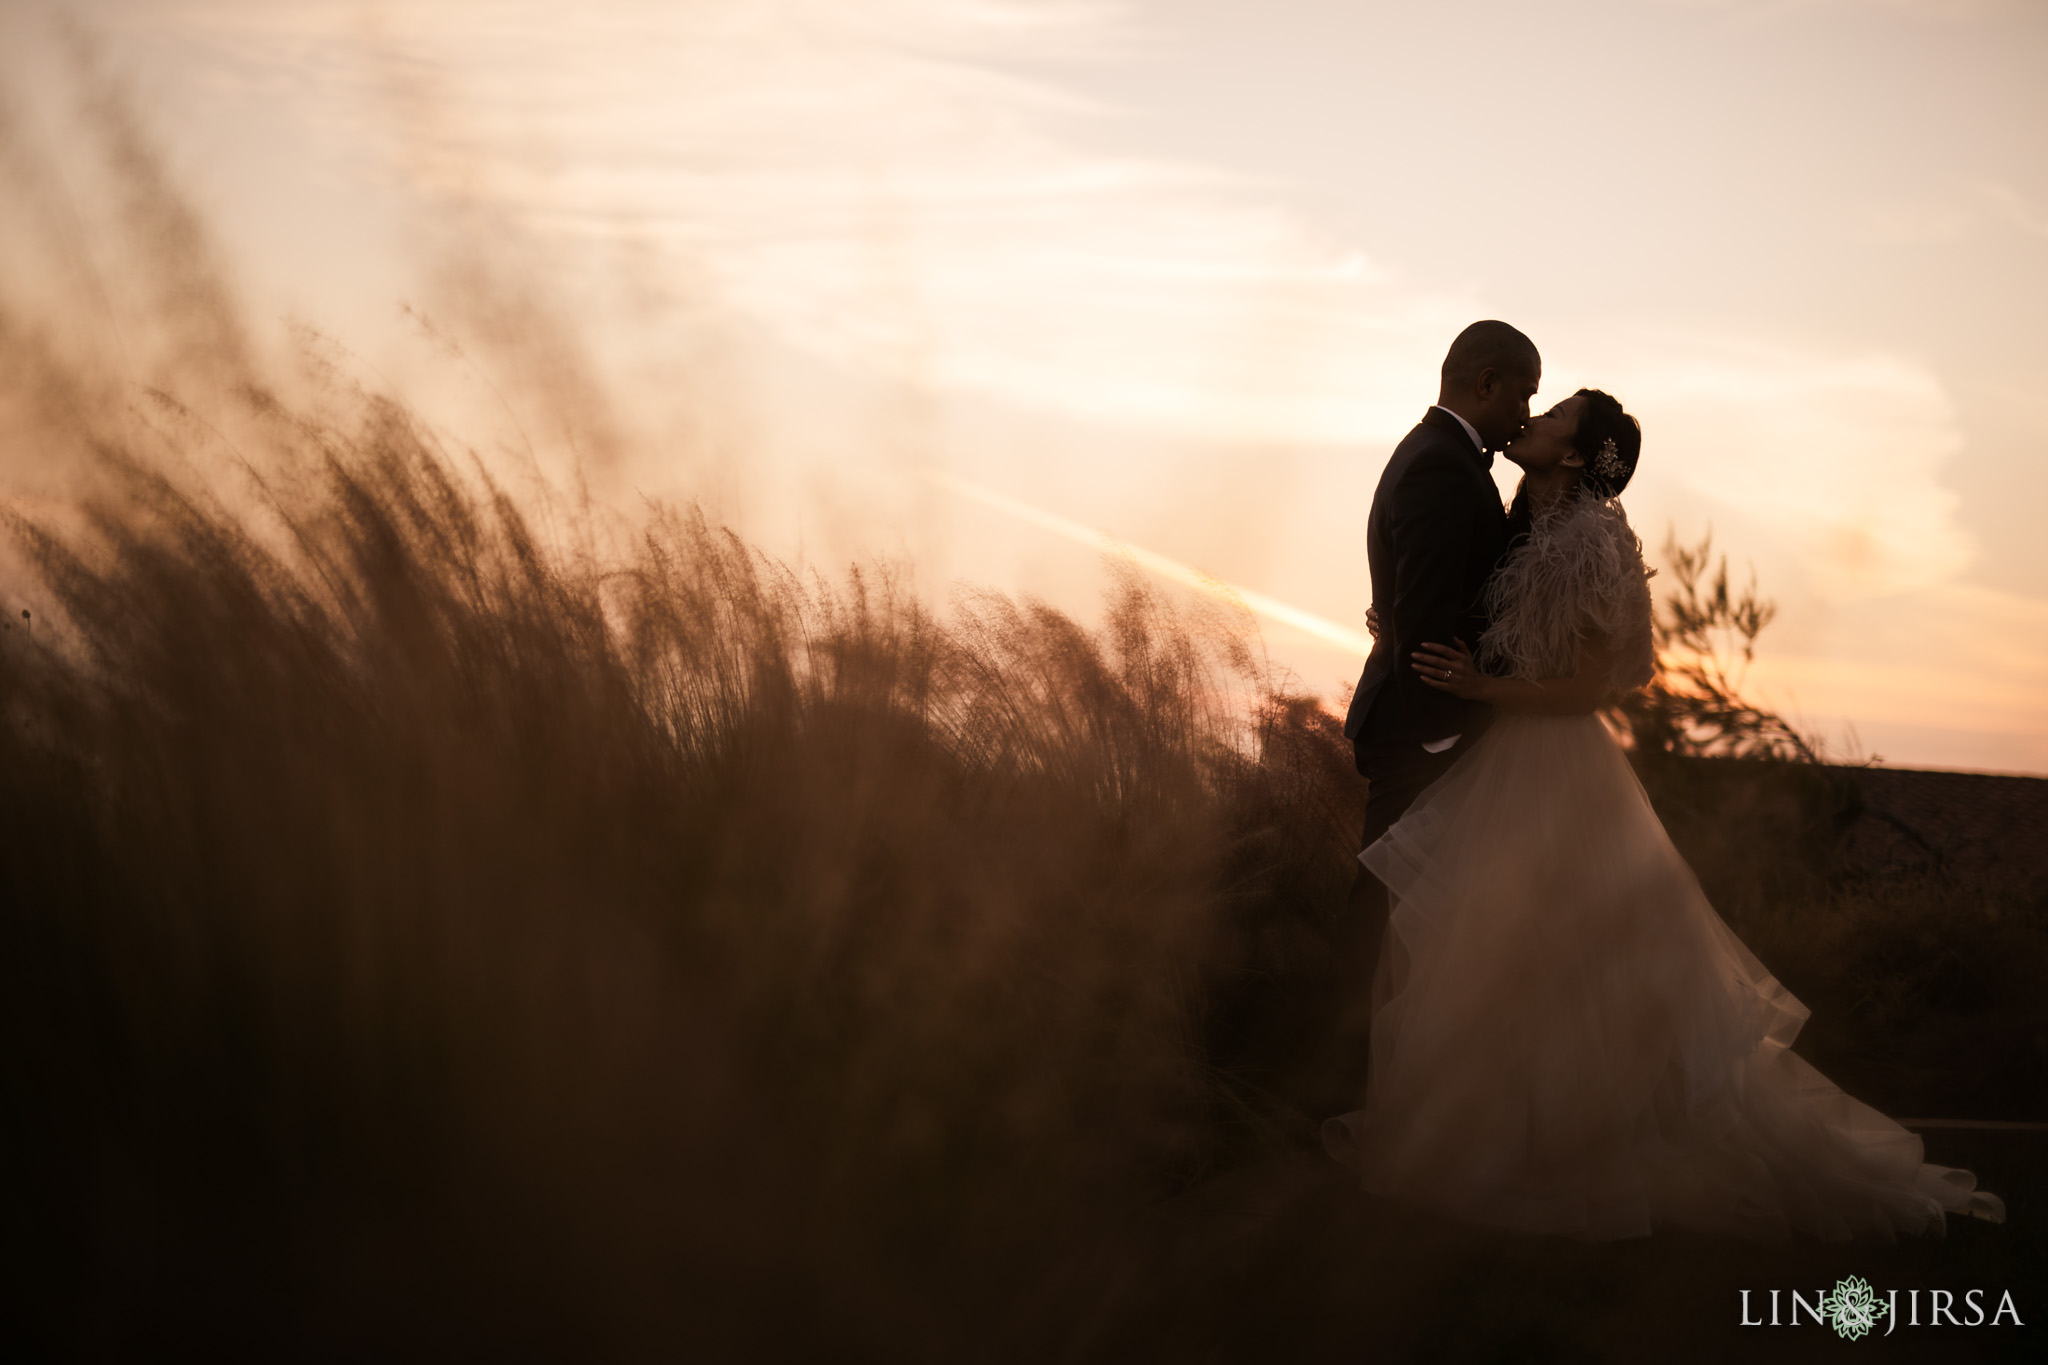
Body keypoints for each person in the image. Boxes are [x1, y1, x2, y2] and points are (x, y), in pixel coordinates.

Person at [1321, 388, 2006, 1241]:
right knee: (1498, 960)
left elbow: (1590, 686)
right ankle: (1516, 1146)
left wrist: (1481, 687)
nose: (1534, 416)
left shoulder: (1592, 539)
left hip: (1555, 773)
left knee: (1571, 968)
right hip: (1499, 763)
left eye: (1557, 412)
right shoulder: (1519, 525)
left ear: (1575, 455)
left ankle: (1591, 1160)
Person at [1325, 322, 1539, 1102]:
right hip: (1424, 737)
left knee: (1413, 920)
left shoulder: (1435, 457)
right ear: (1485, 382)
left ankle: (1390, 1084)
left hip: (1427, 729)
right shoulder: (1442, 470)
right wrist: (1454, 733)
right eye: (1523, 392)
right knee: (1379, 916)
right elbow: (1422, 624)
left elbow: (1418, 607)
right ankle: (1331, 1089)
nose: (1525, 411)